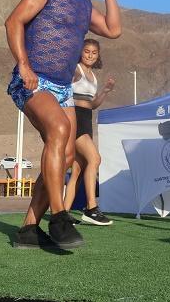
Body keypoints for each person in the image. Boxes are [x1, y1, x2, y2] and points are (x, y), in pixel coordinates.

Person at [6, 0, 121, 249]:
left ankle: (29, 230)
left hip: (63, 87)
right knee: (58, 129)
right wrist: (24, 66)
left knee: (67, 155)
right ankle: (59, 218)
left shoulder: (84, 5)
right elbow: (14, 21)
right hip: (34, 81)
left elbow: (113, 30)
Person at [63, 38, 115, 225]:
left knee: (78, 169)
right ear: (80, 52)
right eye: (86, 51)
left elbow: (92, 104)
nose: (90, 55)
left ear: (98, 55)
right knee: (95, 159)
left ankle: (63, 214)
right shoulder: (75, 70)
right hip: (74, 118)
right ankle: (91, 208)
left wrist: (105, 92)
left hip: (86, 119)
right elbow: (63, 89)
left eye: (94, 52)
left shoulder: (92, 76)